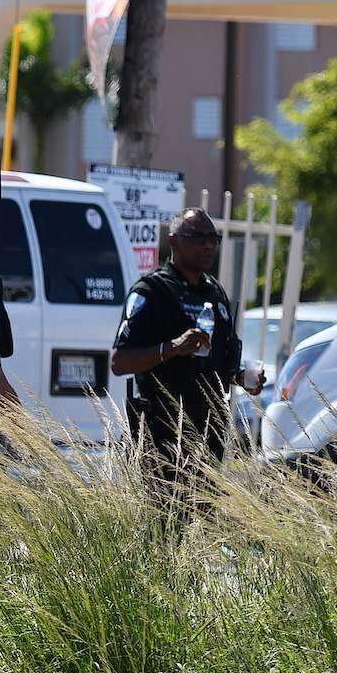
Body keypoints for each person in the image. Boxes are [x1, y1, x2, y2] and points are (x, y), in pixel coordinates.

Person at [110, 209, 263, 508]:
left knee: (203, 515)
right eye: (197, 238)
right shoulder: (151, 291)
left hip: (209, 428)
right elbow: (120, 362)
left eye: (213, 238)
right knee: (163, 516)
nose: (208, 245)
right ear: (173, 242)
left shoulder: (215, 292)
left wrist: (242, 377)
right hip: (162, 426)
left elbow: (221, 361)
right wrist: (171, 348)